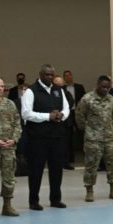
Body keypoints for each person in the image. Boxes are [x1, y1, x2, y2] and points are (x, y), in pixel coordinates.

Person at [21, 64, 69, 210]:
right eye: (47, 75)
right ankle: (33, 201)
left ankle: (55, 199)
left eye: (52, 75)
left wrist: (62, 115)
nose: (50, 77)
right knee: (36, 170)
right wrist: (48, 116)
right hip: (38, 138)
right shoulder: (31, 91)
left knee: (56, 170)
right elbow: (26, 113)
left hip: (57, 137)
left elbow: (66, 108)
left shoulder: (58, 90)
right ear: (40, 74)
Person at [75, 75, 113, 202]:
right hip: (93, 139)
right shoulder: (87, 99)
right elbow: (79, 117)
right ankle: (89, 191)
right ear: (97, 85)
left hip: (110, 138)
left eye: (108, 87)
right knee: (91, 166)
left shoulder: (111, 99)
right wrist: (89, 130)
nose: (105, 89)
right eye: (103, 87)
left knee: (112, 164)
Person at [0, 76, 22, 216]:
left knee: (9, 177)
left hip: (8, 147)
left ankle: (7, 206)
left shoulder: (10, 104)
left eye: (1, 86)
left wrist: (14, 139)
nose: (0, 88)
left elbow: (17, 124)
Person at [62, 70, 86, 170]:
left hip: (78, 112)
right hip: (67, 114)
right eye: (66, 76)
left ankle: (86, 157)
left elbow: (84, 99)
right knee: (68, 136)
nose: (68, 77)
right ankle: (69, 158)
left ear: (72, 76)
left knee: (82, 134)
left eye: (69, 75)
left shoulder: (79, 87)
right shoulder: (62, 89)